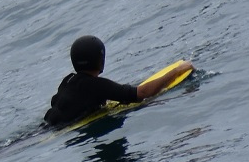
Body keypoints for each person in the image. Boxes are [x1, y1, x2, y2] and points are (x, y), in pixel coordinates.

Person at [43, 35, 192, 128]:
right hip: (61, 128)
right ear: (100, 60)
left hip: (46, 126)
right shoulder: (96, 85)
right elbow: (142, 93)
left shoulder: (68, 80)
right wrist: (177, 70)